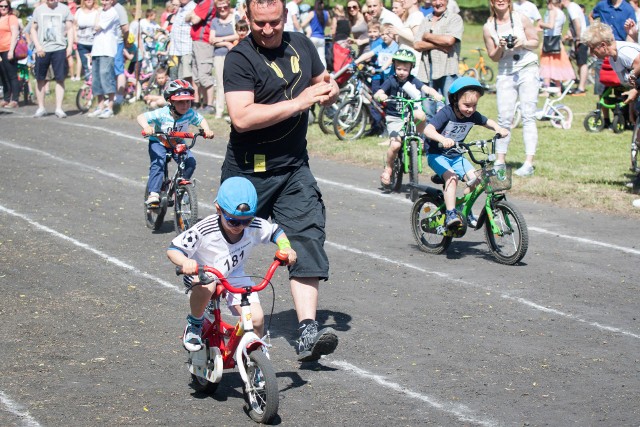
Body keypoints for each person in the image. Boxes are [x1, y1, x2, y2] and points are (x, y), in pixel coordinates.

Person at [222, 0, 339, 362]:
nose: (268, 29)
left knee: (305, 236)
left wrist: (328, 90)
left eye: (274, 22)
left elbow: (322, 82)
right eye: (260, 23)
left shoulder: (302, 44)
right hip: (247, 171)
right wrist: (301, 101)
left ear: (286, 16)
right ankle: (219, 324)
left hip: (292, 168)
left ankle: (307, 330)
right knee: (227, 249)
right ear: (247, 18)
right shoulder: (239, 58)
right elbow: (241, 117)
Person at [167, 176, 298, 352]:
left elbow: (276, 231)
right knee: (208, 284)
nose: (240, 226)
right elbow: (174, 249)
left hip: (235, 275)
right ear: (218, 209)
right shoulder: (205, 229)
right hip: (204, 273)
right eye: (233, 221)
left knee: (257, 318)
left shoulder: (253, 225)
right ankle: (194, 324)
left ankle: (254, 357)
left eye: (246, 220)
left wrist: (286, 248)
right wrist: (186, 262)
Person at [423, 77, 509, 228]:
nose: (470, 109)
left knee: (475, 179)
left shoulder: (472, 115)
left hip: (455, 156)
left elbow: (487, 121)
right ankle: (450, 213)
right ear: (455, 99)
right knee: (452, 177)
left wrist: (498, 129)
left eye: (474, 105)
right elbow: (428, 129)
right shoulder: (446, 113)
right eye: (466, 105)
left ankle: (465, 210)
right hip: (437, 154)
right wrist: (442, 139)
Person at [483, 0, 540, 177]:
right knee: (503, 117)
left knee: (528, 114)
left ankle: (528, 162)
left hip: (527, 67)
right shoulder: (488, 26)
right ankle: (500, 160)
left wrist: (522, 42)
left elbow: (535, 42)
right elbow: (493, 56)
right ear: (492, 2)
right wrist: (500, 46)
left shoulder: (521, 18)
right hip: (505, 71)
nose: (501, 1)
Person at [137, 79, 214, 206]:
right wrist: (146, 127)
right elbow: (141, 117)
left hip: (177, 143)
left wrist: (206, 129)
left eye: (188, 101)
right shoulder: (162, 113)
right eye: (180, 102)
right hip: (159, 143)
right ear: (170, 101)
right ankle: (154, 193)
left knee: (190, 162)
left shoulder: (189, 113)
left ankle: (181, 188)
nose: (185, 105)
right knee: (158, 163)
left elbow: (201, 119)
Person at [376, 49, 442, 186]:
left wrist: (434, 93)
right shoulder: (391, 81)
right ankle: (388, 168)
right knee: (395, 145)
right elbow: (379, 92)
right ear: (394, 66)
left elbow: (425, 88)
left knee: (421, 114)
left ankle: (420, 137)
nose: (401, 72)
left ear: (411, 68)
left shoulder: (412, 80)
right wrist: (381, 95)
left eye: (405, 69)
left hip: (410, 115)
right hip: (395, 118)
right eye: (399, 68)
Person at [30, 0, 74, 118]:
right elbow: (33, 29)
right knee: (40, 78)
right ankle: (41, 107)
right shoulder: (39, 10)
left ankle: (59, 108)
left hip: (59, 48)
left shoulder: (64, 9)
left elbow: (70, 29)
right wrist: (38, 46)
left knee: (60, 78)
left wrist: (69, 46)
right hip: (42, 49)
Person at [414, 0, 463, 102]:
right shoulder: (425, 20)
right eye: (434, 0)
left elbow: (449, 41)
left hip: (447, 70)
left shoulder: (454, 19)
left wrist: (427, 36)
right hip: (427, 71)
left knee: (450, 106)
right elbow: (417, 45)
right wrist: (440, 46)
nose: (438, 3)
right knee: (428, 110)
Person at [356, 21, 398, 136]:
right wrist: (356, 62)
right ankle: (378, 126)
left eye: (387, 34)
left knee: (389, 105)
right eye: (383, 34)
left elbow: (392, 59)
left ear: (393, 35)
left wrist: (382, 68)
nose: (384, 37)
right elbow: (369, 54)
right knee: (377, 102)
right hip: (382, 79)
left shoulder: (395, 46)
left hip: (391, 81)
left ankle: (388, 128)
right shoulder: (382, 46)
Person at [86, 0, 120, 119]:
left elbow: (97, 27)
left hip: (107, 50)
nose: (104, 2)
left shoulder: (112, 13)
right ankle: (100, 106)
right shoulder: (101, 12)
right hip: (97, 49)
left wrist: (97, 14)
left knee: (106, 77)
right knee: (96, 79)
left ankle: (109, 107)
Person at [186, 0, 216, 114]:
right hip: (195, 41)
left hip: (204, 43)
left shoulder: (208, 2)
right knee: (196, 75)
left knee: (204, 75)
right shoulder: (199, 3)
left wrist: (192, 15)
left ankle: (209, 105)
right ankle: (197, 103)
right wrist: (191, 15)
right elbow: (186, 18)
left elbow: (194, 19)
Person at [539, 0, 575, 91]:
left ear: (551, 3)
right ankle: (558, 89)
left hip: (549, 41)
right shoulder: (562, 13)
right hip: (557, 42)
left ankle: (546, 89)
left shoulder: (552, 11)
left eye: (547, 3)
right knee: (557, 66)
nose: (547, 5)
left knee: (546, 65)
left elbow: (550, 26)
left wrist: (541, 24)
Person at [210, 0, 238, 118]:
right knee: (220, 83)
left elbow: (239, 34)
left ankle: (234, 110)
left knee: (233, 82)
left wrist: (220, 39)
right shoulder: (215, 21)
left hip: (234, 55)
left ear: (228, 6)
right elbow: (212, 40)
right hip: (218, 55)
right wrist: (227, 43)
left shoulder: (235, 18)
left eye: (225, 7)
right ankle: (219, 110)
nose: (222, 9)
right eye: (219, 7)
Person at [561, 0, 588, 95]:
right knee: (578, 62)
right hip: (579, 38)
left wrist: (577, 38)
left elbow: (577, 23)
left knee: (582, 63)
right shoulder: (572, 7)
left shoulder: (571, 7)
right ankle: (578, 84)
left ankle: (581, 87)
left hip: (581, 39)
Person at [168, 0, 195, 82]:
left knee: (187, 76)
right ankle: (183, 94)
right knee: (180, 76)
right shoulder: (182, 8)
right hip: (178, 49)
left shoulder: (193, 7)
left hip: (187, 48)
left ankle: (191, 94)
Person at [0, 0, 20, 108]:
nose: (3, 8)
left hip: (8, 48)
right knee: (3, 75)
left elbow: (14, 34)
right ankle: (6, 98)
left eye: (5, 6)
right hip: (0, 50)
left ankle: (15, 99)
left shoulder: (11, 18)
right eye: (1, 6)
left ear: (9, 7)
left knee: (12, 75)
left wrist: (11, 50)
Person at [74, 0, 98, 81]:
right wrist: (75, 37)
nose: (89, 0)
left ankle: (96, 84)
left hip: (94, 43)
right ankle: (89, 84)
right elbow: (74, 25)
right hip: (82, 43)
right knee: (86, 66)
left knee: (95, 65)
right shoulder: (79, 11)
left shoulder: (98, 11)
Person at [301, 0, 329, 67]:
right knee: (322, 57)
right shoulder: (326, 13)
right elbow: (328, 24)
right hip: (322, 38)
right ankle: (324, 73)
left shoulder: (312, 13)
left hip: (313, 37)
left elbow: (303, 24)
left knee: (312, 57)